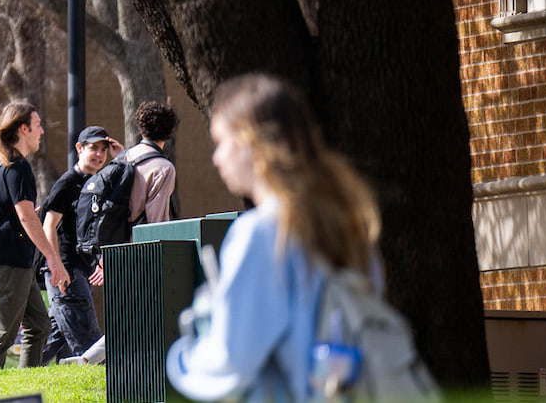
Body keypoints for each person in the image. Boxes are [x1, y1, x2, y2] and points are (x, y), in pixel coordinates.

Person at [167, 74, 430, 402]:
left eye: (222, 142)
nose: (216, 158)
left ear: (252, 143)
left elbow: (231, 361)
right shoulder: (347, 224)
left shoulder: (260, 232)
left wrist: (183, 357)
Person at [66, 102, 181, 366]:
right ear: (170, 131)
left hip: (115, 247)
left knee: (128, 312)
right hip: (141, 247)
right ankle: (105, 362)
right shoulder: (163, 168)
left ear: (140, 127)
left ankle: (89, 359)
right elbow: (156, 219)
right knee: (147, 313)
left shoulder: (123, 158)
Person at [0, 101, 72, 368]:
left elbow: (10, 213)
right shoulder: (17, 168)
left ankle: (28, 383)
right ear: (24, 128)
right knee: (1, 335)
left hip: (14, 260)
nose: (42, 132)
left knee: (39, 326)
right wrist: (52, 259)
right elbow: (25, 216)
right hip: (9, 262)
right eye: (38, 126)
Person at [38, 126, 119, 362]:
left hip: (81, 268)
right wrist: (58, 268)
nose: (99, 154)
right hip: (66, 268)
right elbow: (48, 225)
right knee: (89, 343)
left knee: (52, 336)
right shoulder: (68, 183)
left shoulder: (97, 183)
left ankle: (21, 376)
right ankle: (98, 388)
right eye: (93, 148)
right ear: (79, 148)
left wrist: (120, 155)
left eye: (104, 149)